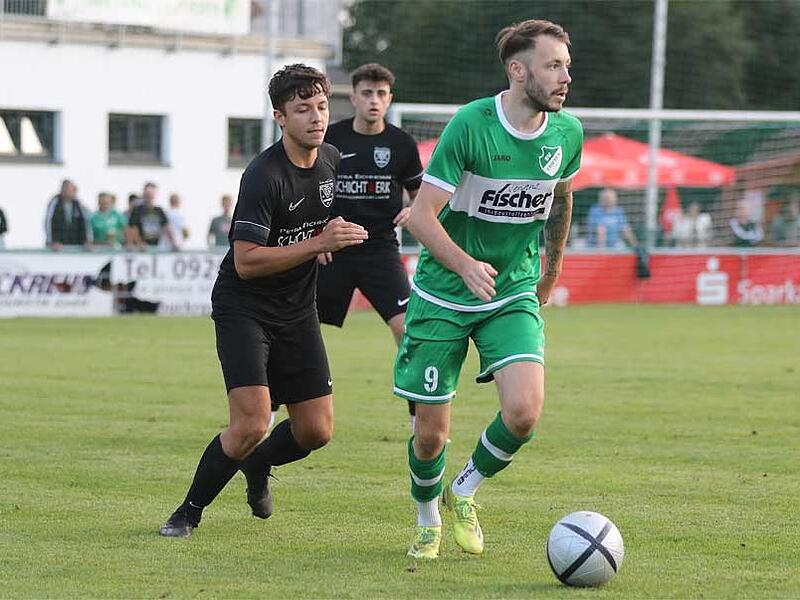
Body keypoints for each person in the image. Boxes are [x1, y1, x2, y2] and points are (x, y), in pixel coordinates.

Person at [394, 19, 582, 559]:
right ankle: (427, 514)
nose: (565, 76)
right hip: (443, 293)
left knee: (524, 411)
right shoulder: (471, 125)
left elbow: (562, 198)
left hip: (513, 289)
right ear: (518, 70)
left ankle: (465, 488)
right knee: (430, 435)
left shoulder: (567, 132)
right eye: (553, 65)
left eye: (567, 65)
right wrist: (465, 264)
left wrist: (551, 270)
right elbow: (421, 218)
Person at [159, 64, 367, 538]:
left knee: (317, 431)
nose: (316, 117)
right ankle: (187, 512)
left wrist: (322, 240)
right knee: (252, 421)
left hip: (296, 310)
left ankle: (258, 466)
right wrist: (314, 245)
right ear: (279, 116)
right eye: (302, 110)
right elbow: (247, 260)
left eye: (320, 107)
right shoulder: (262, 175)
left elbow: (311, 223)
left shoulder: (331, 159)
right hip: (244, 307)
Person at [317, 62, 424, 428]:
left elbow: (422, 196)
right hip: (333, 250)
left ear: (389, 99)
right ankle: (272, 409)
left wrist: (413, 210)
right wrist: (316, 234)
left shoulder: (401, 144)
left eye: (381, 94)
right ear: (354, 97)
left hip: (380, 250)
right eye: (367, 93)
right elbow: (308, 190)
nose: (374, 100)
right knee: (295, 328)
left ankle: (417, 416)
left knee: (408, 330)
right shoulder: (331, 139)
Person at [44, 179, 92, 250]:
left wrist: (87, 241)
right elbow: (48, 222)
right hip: (58, 246)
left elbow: (86, 221)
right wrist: (51, 241)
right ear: (64, 190)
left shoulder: (78, 204)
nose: (75, 192)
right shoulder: (55, 202)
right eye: (72, 190)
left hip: (76, 245)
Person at [126, 182, 175, 249]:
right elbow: (132, 229)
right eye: (147, 193)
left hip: (155, 246)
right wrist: (139, 243)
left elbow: (166, 227)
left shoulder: (159, 210)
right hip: (141, 248)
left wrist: (174, 243)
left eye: (151, 193)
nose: (149, 195)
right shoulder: (137, 210)